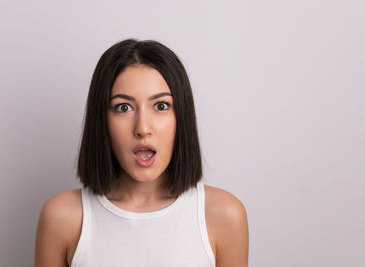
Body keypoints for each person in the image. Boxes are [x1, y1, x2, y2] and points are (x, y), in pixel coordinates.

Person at [34, 39, 249, 267]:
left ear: (182, 117)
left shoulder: (224, 216)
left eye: (161, 106)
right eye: (123, 108)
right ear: (102, 121)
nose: (143, 128)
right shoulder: (62, 218)